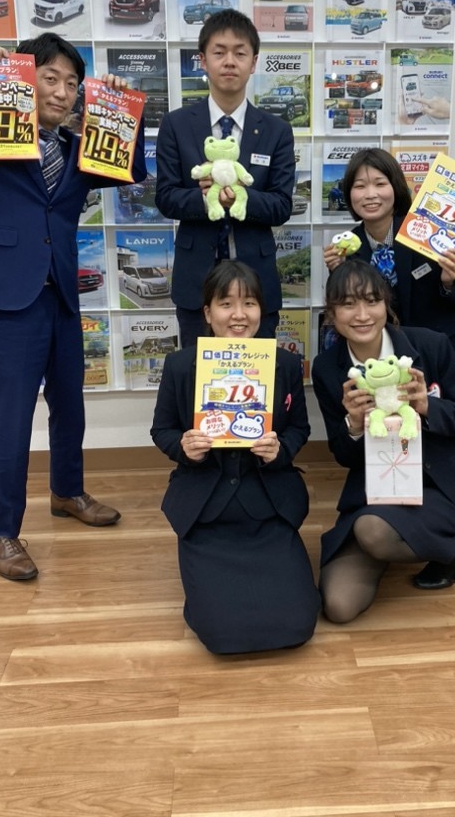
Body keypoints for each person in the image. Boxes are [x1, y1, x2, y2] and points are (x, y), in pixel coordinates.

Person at [0, 33, 147, 581]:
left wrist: (116, 108)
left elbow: (132, 170)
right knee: (11, 420)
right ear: (25, 77)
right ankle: (1, 531)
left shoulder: (80, 148)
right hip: (7, 297)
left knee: (70, 405)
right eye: (50, 78)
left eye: (72, 83)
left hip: (61, 292)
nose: (62, 92)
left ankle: (67, 492)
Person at [150, 260, 320, 654]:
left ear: (262, 310)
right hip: (205, 509)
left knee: (298, 623)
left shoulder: (284, 363)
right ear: (208, 313)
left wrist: (280, 450)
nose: (239, 315)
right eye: (226, 304)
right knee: (220, 635)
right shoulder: (181, 365)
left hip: (268, 505)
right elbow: (162, 430)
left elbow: (299, 428)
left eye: (249, 303)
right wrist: (185, 448)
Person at [311, 259, 455, 624]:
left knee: (372, 532)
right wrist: (354, 424)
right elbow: (343, 455)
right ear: (332, 313)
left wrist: (427, 406)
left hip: (437, 483)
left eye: (371, 301)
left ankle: (453, 546)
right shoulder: (328, 367)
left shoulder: (429, 345)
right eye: (348, 304)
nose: (362, 315)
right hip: (377, 490)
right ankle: (398, 541)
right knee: (339, 606)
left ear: (386, 304)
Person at [155, 9, 295, 347]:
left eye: (239, 53)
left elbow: (281, 205)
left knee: (257, 375)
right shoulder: (176, 124)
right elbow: (166, 197)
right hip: (196, 283)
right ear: (203, 61)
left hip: (257, 284)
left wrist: (239, 198)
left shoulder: (276, 130)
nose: (229, 61)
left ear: (253, 62)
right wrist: (206, 199)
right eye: (219, 52)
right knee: (196, 373)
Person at [323, 148, 455, 377]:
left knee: (442, 402)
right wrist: (337, 272)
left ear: (396, 187)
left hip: (446, 350)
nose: (370, 194)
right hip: (389, 358)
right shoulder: (349, 246)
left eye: (380, 184)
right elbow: (346, 306)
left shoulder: (425, 229)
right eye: (360, 186)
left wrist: (450, 282)